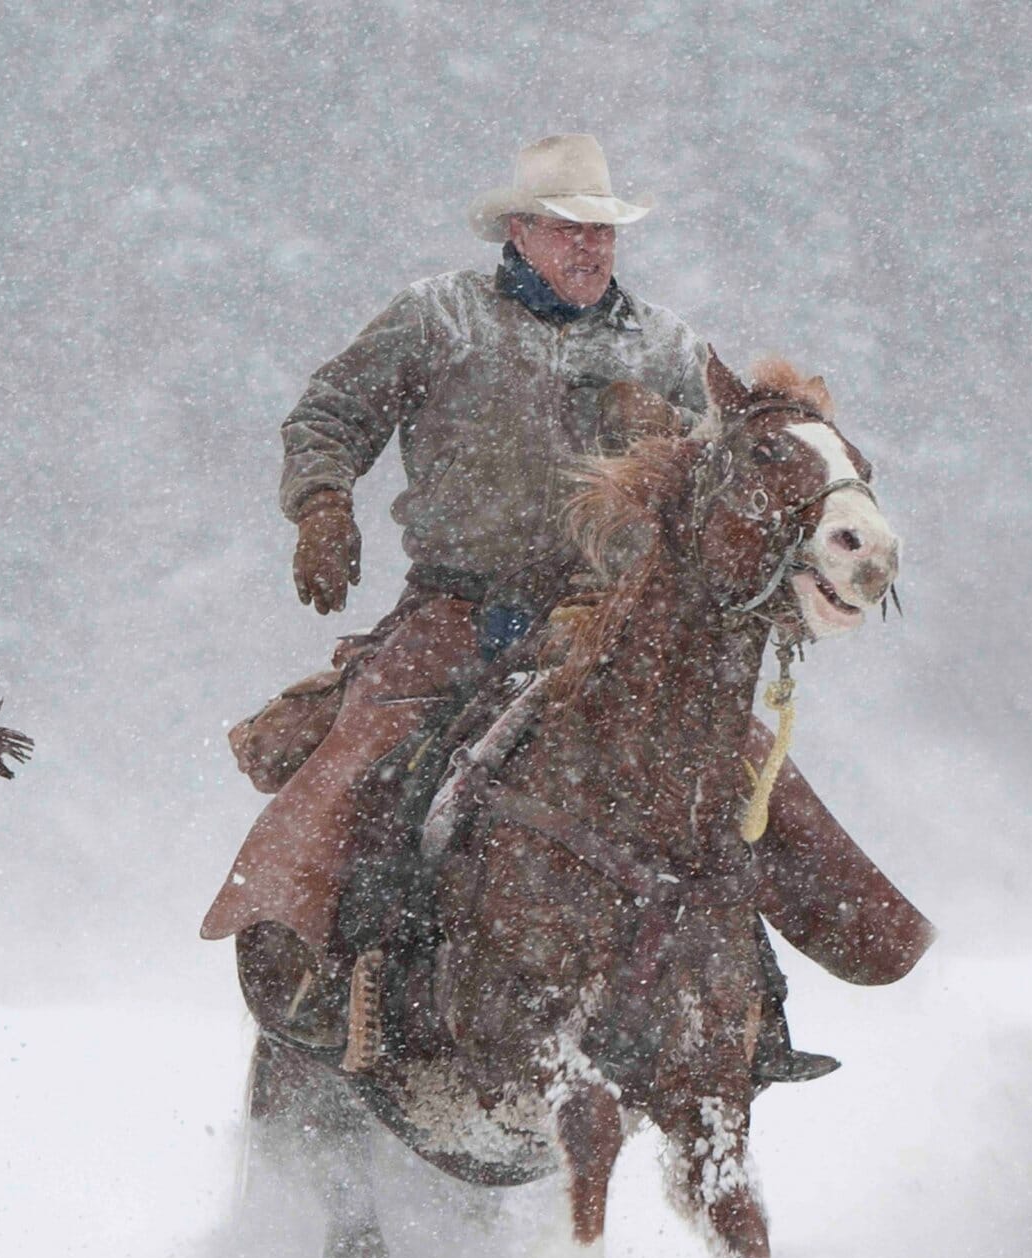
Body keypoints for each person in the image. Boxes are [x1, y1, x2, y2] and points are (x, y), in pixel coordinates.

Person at [203, 135, 933, 1083]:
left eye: (603, 231)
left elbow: (738, 489)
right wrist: (322, 505)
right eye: (567, 228)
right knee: (367, 747)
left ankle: (767, 998)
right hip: (457, 607)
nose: (590, 247)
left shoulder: (669, 349)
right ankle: (311, 967)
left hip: (618, 616)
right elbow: (329, 414)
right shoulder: (438, 318)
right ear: (518, 230)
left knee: (740, 767)